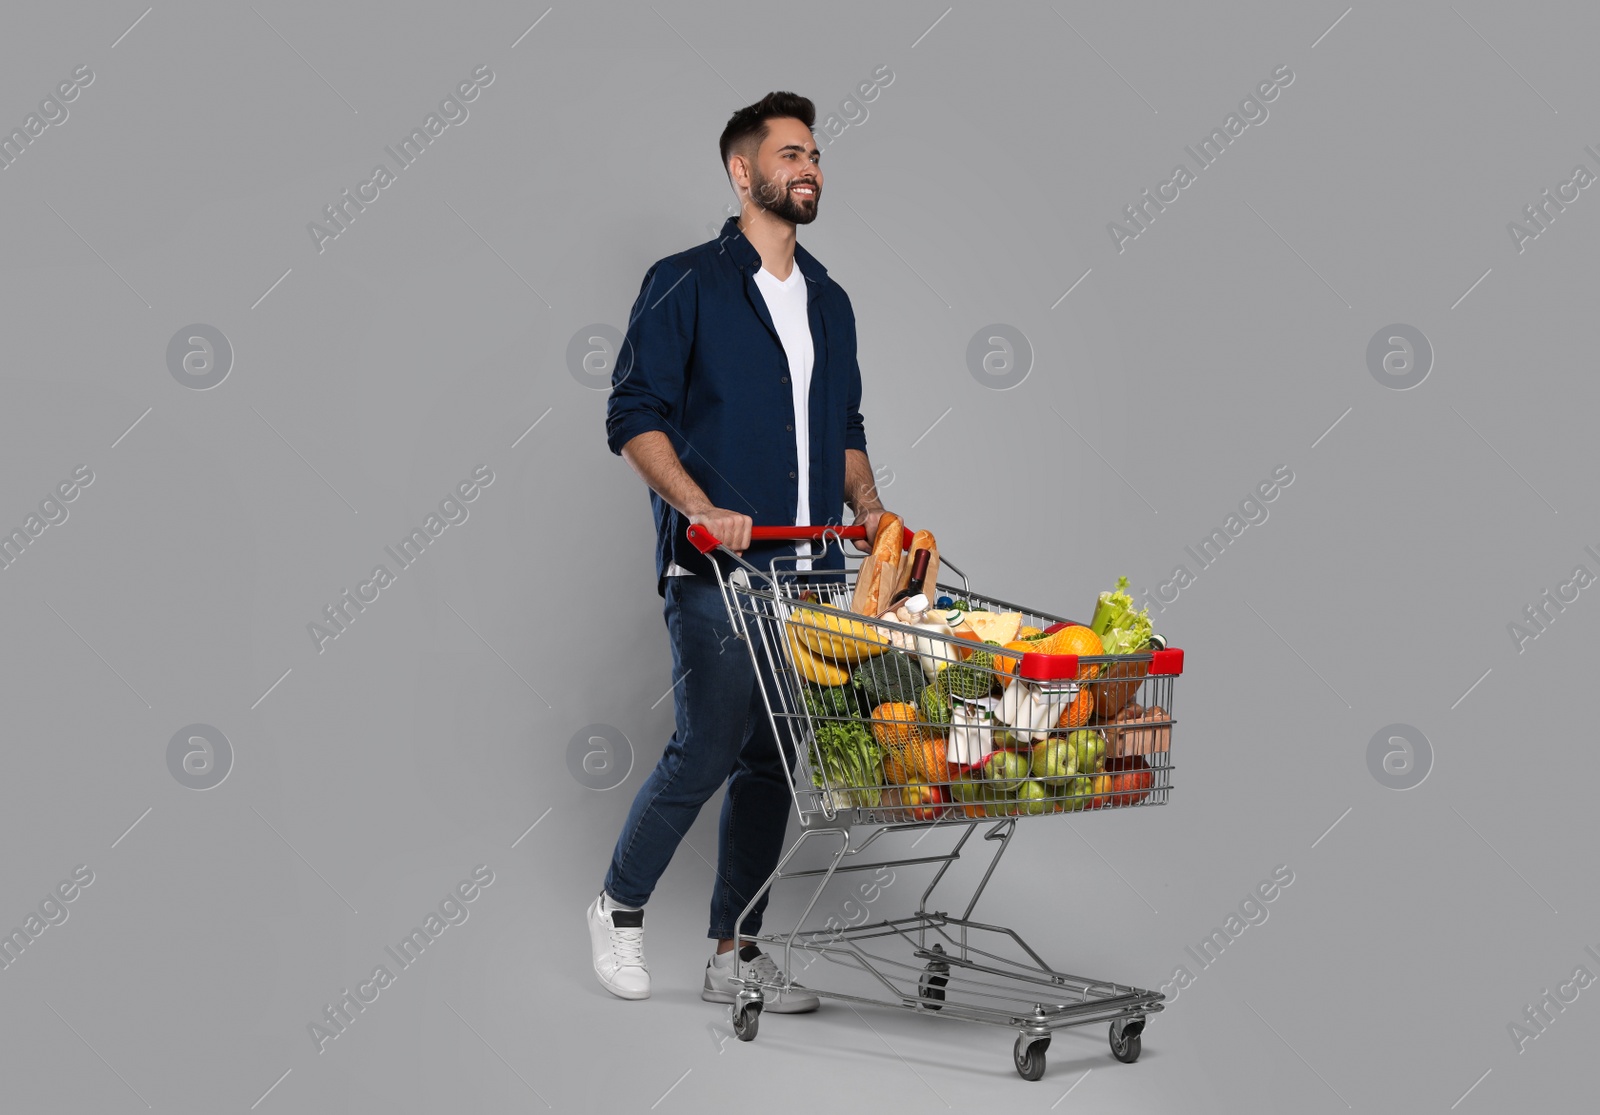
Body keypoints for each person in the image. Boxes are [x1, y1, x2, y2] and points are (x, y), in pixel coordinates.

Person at [590, 91, 892, 1009]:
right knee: (708, 747)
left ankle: (734, 951)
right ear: (743, 171)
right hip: (721, 573)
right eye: (790, 154)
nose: (809, 168)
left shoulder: (831, 300)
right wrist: (697, 506)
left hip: (813, 573)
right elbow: (631, 413)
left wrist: (873, 509)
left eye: (814, 155)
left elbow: (845, 428)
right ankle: (619, 909)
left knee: (775, 759)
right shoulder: (685, 281)